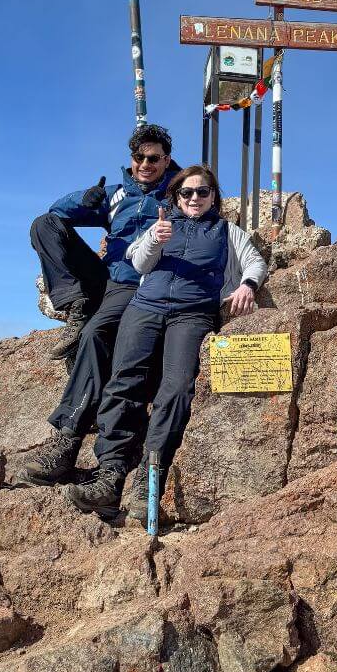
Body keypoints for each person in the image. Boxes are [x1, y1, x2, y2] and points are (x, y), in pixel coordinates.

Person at [65, 163, 267, 520]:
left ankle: (149, 476)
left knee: (175, 388)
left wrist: (248, 285)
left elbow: (254, 262)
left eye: (202, 192)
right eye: (186, 192)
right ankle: (109, 474)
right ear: (176, 196)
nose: (194, 198)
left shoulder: (226, 231)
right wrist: (155, 239)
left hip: (193, 314)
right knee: (123, 382)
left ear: (213, 197)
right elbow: (140, 264)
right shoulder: (160, 225)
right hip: (144, 308)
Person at [15, 124, 179, 487]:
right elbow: (57, 212)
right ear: (132, 160)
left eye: (154, 158)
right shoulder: (117, 193)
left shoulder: (179, 191)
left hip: (139, 282)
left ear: (166, 160)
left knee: (95, 335)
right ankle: (74, 303)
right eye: (139, 158)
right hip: (107, 278)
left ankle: (68, 439)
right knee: (44, 224)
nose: (146, 164)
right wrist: (85, 200)